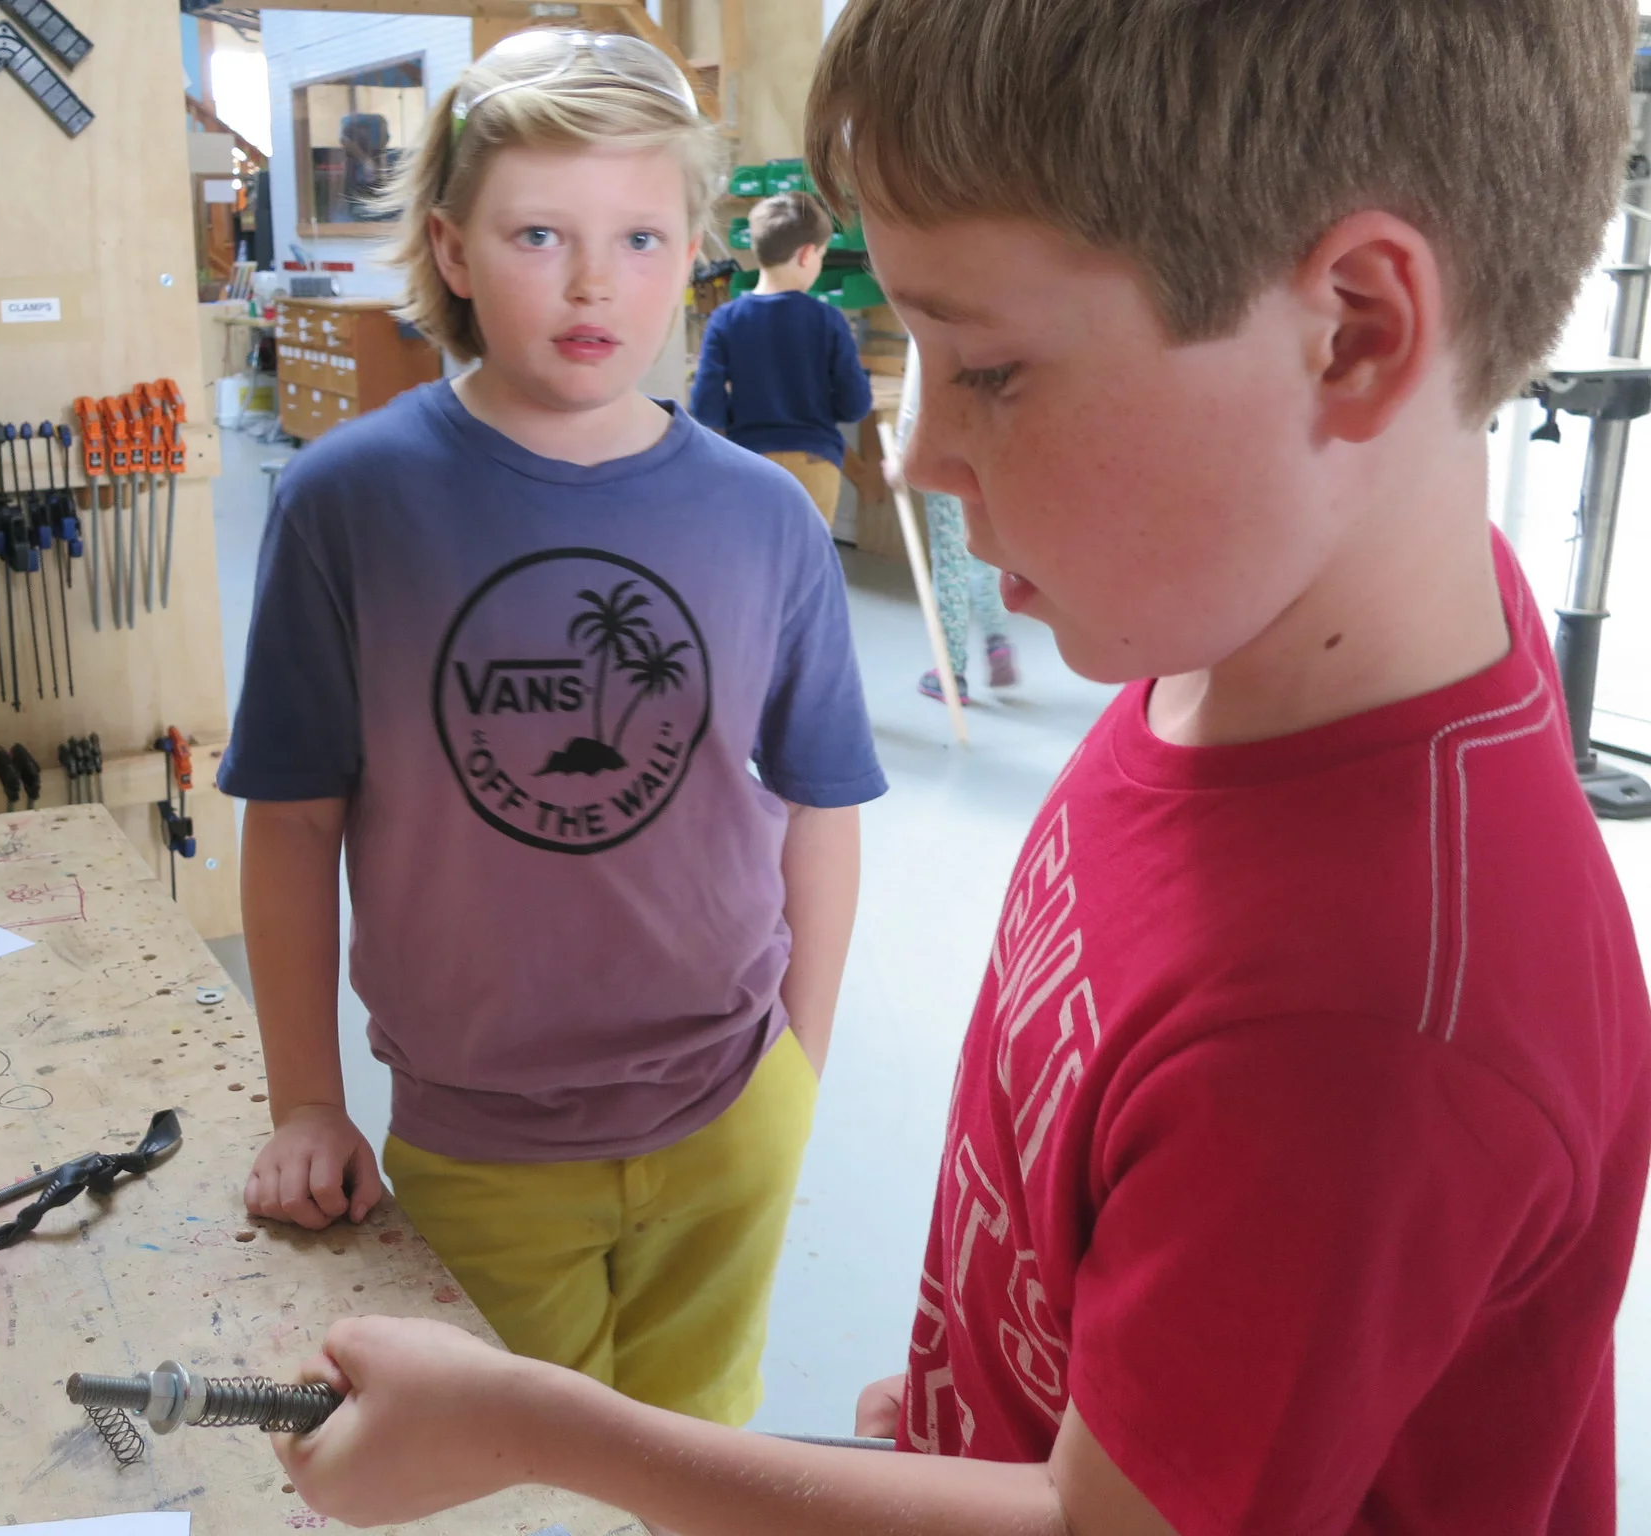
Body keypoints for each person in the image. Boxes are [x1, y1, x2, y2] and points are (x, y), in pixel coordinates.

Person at [268, 2, 1651, 1533]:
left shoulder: (1367, 1027)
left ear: (1357, 334)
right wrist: (988, 1400)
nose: (912, 450)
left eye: (986, 368)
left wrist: (542, 1429)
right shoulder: (1245, 651)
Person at [220, 27, 886, 1432]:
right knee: (510, 1473)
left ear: (694, 250)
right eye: (539, 234)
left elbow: (820, 802)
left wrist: (800, 1063)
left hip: (730, 1112)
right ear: (452, 250)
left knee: (696, 1456)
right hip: (482, 1139)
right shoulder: (347, 504)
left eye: (640, 238)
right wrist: (306, 1102)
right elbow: (290, 820)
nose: (595, 283)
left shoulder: (766, 516)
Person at [689, 191, 874, 526]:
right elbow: (855, 406)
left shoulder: (725, 319)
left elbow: (705, 407)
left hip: (750, 460)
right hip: (816, 462)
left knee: (753, 554)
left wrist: (740, 415)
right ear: (806, 254)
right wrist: (820, 405)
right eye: (821, 255)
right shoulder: (829, 319)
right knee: (810, 555)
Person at [891, 341, 1020, 699]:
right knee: (982, 550)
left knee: (950, 559)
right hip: (990, 447)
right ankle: (997, 642)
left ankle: (950, 670)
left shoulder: (933, 321)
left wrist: (901, 452)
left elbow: (917, 392)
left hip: (947, 453)